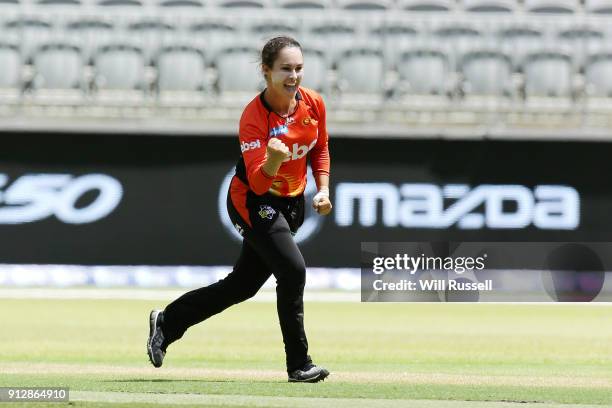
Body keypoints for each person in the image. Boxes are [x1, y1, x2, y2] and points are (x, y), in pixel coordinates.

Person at [147, 36, 332, 383]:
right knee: (293, 271)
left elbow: (320, 148)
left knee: (241, 286)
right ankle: (299, 364)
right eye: (285, 69)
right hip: (252, 201)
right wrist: (274, 160)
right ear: (266, 71)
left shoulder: (314, 104)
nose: (294, 77)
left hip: (293, 203)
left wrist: (322, 189)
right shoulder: (254, 117)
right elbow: (260, 185)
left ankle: (168, 321)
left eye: (299, 69)